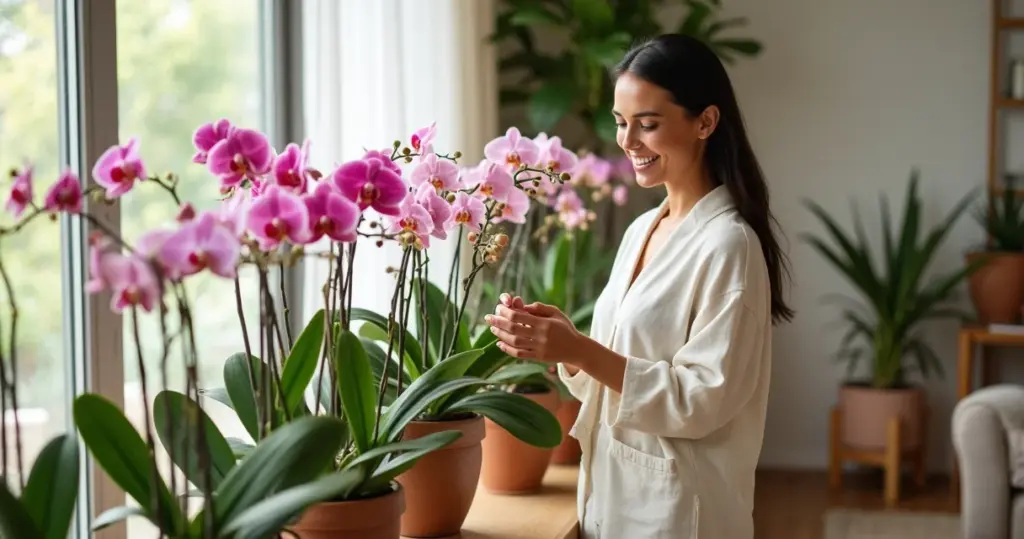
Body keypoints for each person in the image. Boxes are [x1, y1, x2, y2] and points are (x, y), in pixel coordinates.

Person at [484, 33, 794, 538]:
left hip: (680, 512)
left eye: (647, 125)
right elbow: (615, 371)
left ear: (705, 123)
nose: (627, 142)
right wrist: (566, 344)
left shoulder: (728, 247)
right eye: (621, 123)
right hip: (612, 496)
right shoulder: (642, 229)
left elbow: (702, 399)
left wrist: (582, 350)